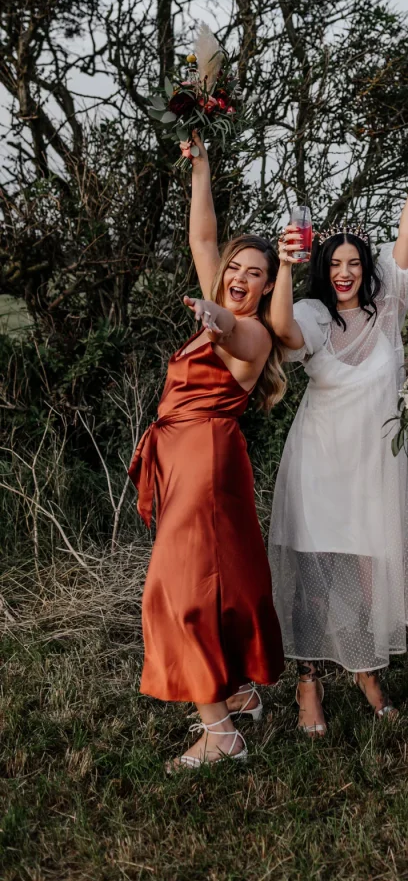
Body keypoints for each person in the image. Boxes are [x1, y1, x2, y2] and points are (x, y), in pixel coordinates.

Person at [268, 127, 408, 736]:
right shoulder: (312, 314)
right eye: (334, 263)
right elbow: (283, 330)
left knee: (365, 575)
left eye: (353, 263)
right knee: (316, 572)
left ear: (365, 269)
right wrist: (286, 267)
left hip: (373, 469)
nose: (344, 272)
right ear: (323, 268)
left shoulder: (389, 308)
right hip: (319, 464)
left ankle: (365, 668)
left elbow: (406, 239)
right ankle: (309, 684)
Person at [129, 131, 285, 770]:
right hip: (185, 458)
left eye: (257, 274)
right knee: (219, 578)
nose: (242, 279)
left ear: (269, 287)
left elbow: (234, 332)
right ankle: (240, 689)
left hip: (206, 460)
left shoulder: (253, 332)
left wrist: (215, 317)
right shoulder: (219, 287)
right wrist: (201, 169)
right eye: (237, 270)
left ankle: (219, 730)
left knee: (176, 586)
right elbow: (202, 238)